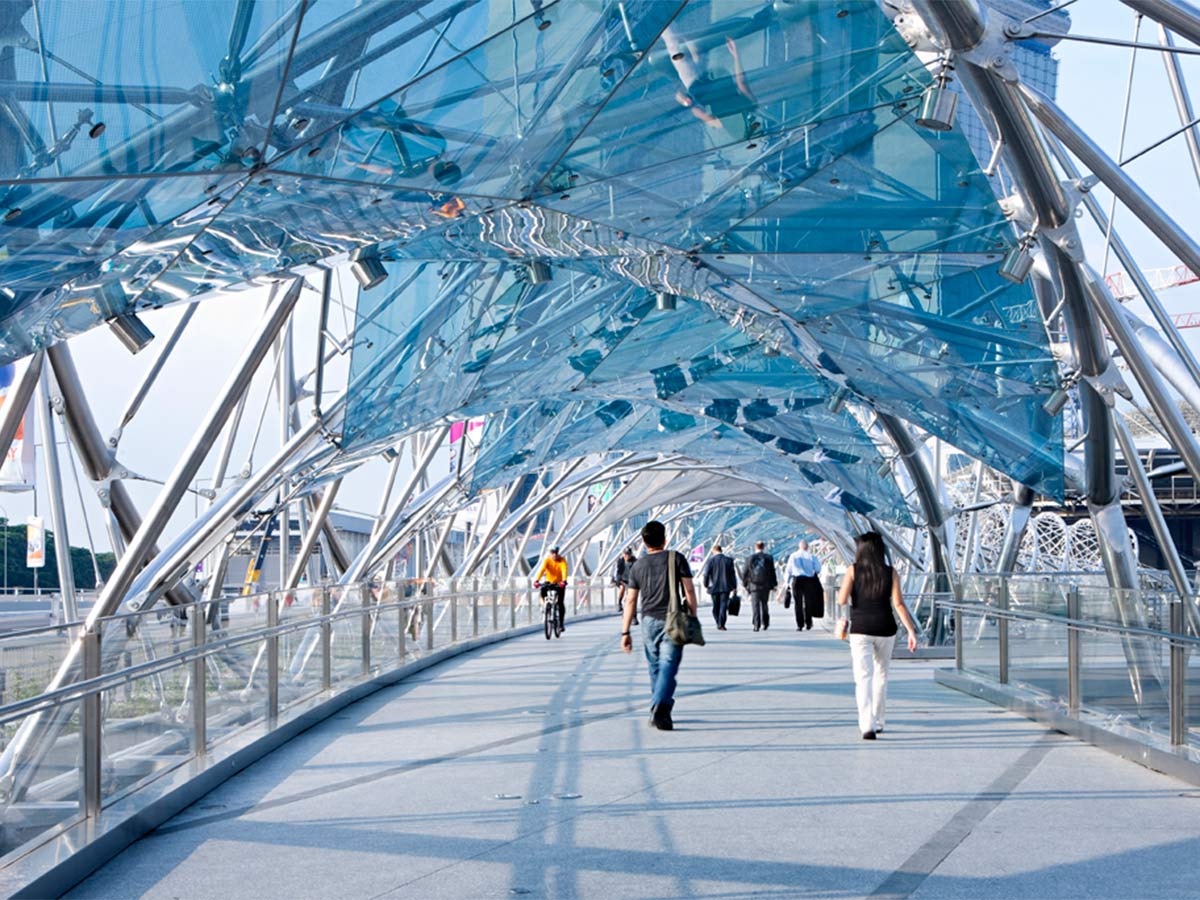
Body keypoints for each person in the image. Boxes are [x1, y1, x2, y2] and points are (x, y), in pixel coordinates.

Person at [835, 532, 919, 740]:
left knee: (863, 677)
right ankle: (879, 720)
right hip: (885, 627)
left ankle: (867, 725)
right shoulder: (891, 572)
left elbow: (842, 599)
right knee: (881, 675)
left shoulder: (853, 571)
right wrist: (911, 630)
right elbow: (898, 604)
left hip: (861, 628)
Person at [621, 520, 698, 731]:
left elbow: (630, 601)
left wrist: (625, 631)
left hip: (648, 621)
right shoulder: (677, 558)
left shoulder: (637, 566)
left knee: (656, 666)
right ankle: (661, 708)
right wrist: (692, 614)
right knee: (668, 666)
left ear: (644, 542)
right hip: (673, 618)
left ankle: (658, 707)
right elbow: (689, 591)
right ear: (665, 539)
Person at [786, 540, 823, 631]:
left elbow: (788, 570)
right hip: (809, 581)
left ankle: (800, 624)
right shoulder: (811, 556)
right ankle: (808, 622)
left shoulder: (793, 556)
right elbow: (818, 569)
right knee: (808, 602)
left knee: (798, 603)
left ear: (799, 547)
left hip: (797, 580)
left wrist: (787, 583)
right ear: (807, 547)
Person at [741, 541, 777, 632]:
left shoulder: (749, 558)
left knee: (755, 605)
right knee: (764, 604)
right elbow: (772, 572)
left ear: (755, 547)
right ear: (763, 547)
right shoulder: (769, 558)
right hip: (766, 585)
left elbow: (745, 573)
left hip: (754, 585)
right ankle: (765, 623)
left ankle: (756, 625)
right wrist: (774, 584)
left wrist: (745, 584)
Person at [701, 544, 737, 631]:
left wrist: (706, 585)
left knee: (715, 606)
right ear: (721, 550)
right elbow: (732, 574)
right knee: (723, 605)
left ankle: (718, 622)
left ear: (714, 551)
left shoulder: (711, 560)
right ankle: (721, 623)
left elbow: (706, 574)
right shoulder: (729, 560)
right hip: (726, 587)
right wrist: (734, 586)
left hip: (714, 587)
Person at [534, 546, 569, 632]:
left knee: (560, 602)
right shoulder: (547, 561)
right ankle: (546, 606)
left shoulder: (562, 560)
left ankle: (561, 623)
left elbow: (564, 570)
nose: (554, 554)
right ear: (550, 553)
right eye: (552, 553)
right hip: (549, 582)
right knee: (542, 590)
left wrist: (564, 581)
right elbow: (542, 570)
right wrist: (537, 580)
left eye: (556, 552)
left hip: (559, 583)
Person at [614, 548, 638, 625]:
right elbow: (617, 571)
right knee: (622, 588)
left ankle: (634, 616)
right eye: (625, 554)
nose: (627, 556)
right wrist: (617, 579)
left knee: (631, 598)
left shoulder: (635, 561)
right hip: (622, 580)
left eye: (628, 554)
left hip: (631, 581)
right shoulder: (620, 561)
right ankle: (619, 603)